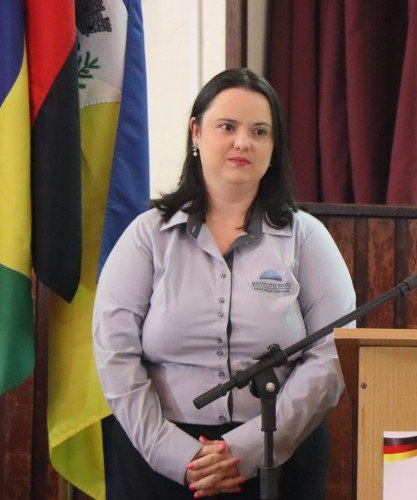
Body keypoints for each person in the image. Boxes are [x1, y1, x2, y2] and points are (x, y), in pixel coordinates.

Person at [93, 68, 355, 499]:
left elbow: (332, 356)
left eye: (259, 131)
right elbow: (114, 355)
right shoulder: (147, 235)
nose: (242, 143)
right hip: (155, 459)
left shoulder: (305, 237)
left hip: (278, 456)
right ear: (196, 132)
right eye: (227, 127)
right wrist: (176, 455)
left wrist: (247, 451)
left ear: (274, 146)